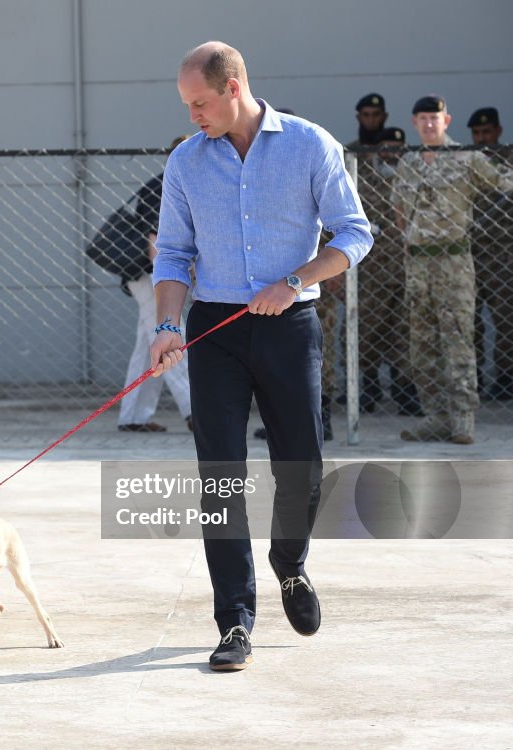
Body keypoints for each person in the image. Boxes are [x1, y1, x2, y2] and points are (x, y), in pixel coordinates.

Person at [150, 42, 372, 671]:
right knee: (220, 472)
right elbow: (172, 255)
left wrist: (296, 280)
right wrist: (167, 323)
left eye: (200, 102)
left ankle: (290, 565)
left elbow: (354, 233)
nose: (193, 115)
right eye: (187, 104)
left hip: (289, 322)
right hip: (213, 329)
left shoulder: (309, 145)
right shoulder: (186, 162)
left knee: (300, 461)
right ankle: (235, 619)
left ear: (234, 86)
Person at [392, 95, 513, 444]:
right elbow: (399, 210)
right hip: (417, 261)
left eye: (436, 118)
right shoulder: (408, 163)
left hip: (454, 259)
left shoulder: (468, 159)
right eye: (424, 118)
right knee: (421, 343)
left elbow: (503, 183)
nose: (430, 124)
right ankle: (436, 415)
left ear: (447, 121)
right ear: (415, 122)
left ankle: (463, 418)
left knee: (458, 339)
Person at [117, 138, 193, 433]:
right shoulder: (162, 186)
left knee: (146, 345)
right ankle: (194, 411)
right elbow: (154, 243)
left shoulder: (173, 183)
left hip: (150, 273)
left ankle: (133, 416)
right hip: (150, 274)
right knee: (173, 337)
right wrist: (165, 281)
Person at [352, 126, 422, 416]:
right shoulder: (363, 180)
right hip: (373, 271)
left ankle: (405, 391)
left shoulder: (415, 180)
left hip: (407, 270)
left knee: (404, 333)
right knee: (367, 331)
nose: (391, 152)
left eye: (397, 146)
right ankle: (368, 389)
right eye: (386, 146)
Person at [466, 107, 513, 401]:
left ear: (498, 131)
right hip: (471, 250)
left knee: (505, 316)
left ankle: (506, 375)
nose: (483, 138)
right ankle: (476, 376)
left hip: (503, 251)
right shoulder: (468, 161)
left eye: (487, 132)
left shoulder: (509, 162)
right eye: (477, 134)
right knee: (469, 319)